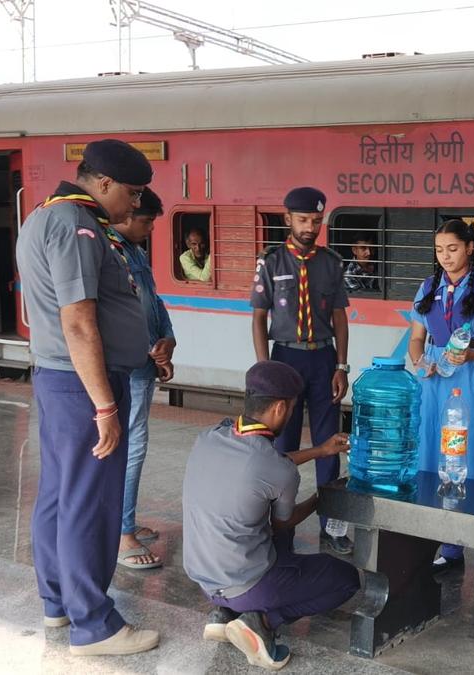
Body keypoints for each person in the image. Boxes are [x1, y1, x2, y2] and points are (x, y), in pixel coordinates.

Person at [14, 139, 159, 655]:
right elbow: (78, 321)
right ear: (102, 183)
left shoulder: (45, 217)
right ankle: (94, 625)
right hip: (83, 385)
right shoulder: (76, 225)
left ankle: (58, 604)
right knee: (88, 502)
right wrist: (105, 405)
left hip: (61, 379)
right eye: (134, 193)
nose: (137, 205)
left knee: (59, 494)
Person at [182, 360, 359, 671]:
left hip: (203, 577)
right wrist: (321, 499)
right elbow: (283, 522)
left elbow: (266, 467)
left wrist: (319, 451)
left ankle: (223, 614)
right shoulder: (279, 471)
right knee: (345, 579)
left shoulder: (210, 436)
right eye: (292, 409)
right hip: (246, 582)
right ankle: (261, 621)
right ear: (280, 408)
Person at [250, 187, 354, 555]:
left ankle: (333, 526)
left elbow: (340, 317)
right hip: (284, 361)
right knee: (282, 446)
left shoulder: (331, 263)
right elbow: (259, 317)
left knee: (331, 444)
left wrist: (341, 365)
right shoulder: (271, 262)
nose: (311, 227)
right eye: (304, 220)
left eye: (316, 220)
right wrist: (265, 368)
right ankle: (281, 525)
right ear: (288, 219)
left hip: (323, 360)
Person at [407, 219, 474, 591]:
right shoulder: (427, 287)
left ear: (469, 248)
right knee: (435, 461)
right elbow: (416, 339)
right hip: (433, 384)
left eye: (452, 248)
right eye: (439, 250)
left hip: (470, 382)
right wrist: (419, 362)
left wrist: (472, 355)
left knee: (473, 463)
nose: (445, 256)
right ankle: (449, 548)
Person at [108, 187, 175, 570]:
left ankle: (125, 522)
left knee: (137, 444)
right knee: (131, 446)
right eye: (146, 221)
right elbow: (120, 309)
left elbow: (154, 300)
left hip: (145, 360)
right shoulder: (110, 251)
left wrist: (168, 340)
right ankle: (121, 535)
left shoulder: (136, 251)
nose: (150, 229)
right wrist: (152, 347)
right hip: (128, 365)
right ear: (127, 215)